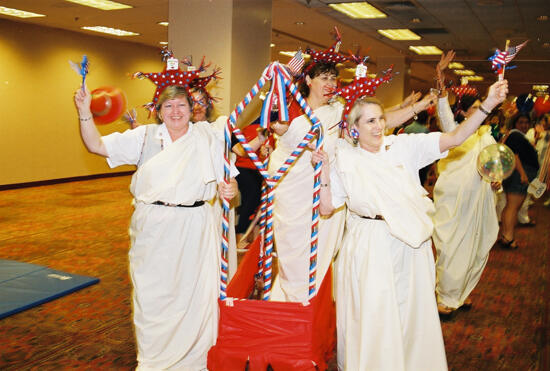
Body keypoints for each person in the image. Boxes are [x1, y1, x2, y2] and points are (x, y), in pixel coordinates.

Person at [312, 80, 508, 370]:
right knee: (374, 315)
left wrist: (488, 105)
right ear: (353, 127)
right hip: (369, 244)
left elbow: (455, 138)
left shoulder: (402, 146)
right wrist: (324, 174)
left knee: (410, 314)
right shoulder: (344, 158)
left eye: (380, 119)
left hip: (409, 244)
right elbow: (327, 208)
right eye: (370, 121)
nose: (378, 126)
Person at [74, 84, 238, 370]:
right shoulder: (144, 136)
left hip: (193, 226)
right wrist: (84, 112)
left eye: (181, 105)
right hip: (153, 227)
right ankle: (154, 360)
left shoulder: (207, 138)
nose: (175, 112)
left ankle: (193, 360)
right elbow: (96, 146)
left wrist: (230, 189)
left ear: (191, 109)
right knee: (153, 295)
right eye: (168, 106)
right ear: (159, 112)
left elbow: (230, 184)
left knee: (192, 293)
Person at [268, 60, 434, 302]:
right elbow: (279, 132)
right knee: (293, 254)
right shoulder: (291, 108)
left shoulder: (338, 110)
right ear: (307, 81)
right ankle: (289, 302)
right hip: (293, 192)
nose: (330, 84)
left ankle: (309, 305)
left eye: (333, 79)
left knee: (321, 256)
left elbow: (377, 121)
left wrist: (414, 108)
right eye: (324, 78)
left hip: (327, 190)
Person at [431, 50, 502, 315]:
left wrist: (497, 184)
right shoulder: (456, 132)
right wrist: (440, 77)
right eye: (475, 110)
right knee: (450, 249)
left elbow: (496, 168)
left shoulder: (489, 139)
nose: (479, 115)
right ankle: (445, 296)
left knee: (474, 247)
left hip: (478, 202)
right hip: (453, 202)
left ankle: (460, 294)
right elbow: (443, 110)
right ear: (468, 112)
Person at [499, 113, 540, 249]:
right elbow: (514, 155)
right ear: (515, 123)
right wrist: (523, 174)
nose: (524, 125)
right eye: (521, 122)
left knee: (510, 206)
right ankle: (509, 238)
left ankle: (506, 236)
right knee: (513, 207)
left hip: (516, 174)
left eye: (526, 122)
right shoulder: (515, 135)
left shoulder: (514, 135)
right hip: (518, 174)